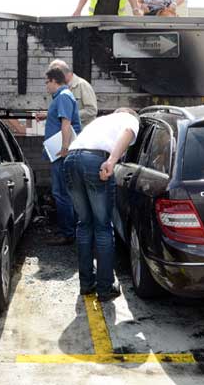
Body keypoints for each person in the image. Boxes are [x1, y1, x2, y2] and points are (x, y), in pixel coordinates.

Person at [63, 108, 140, 302]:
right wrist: (112, 161)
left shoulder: (101, 121)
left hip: (71, 159)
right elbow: (128, 132)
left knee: (84, 223)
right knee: (103, 226)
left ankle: (86, 284)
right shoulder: (130, 118)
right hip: (95, 161)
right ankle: (105, 288)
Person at [44, 67, 82, 246]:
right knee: (63, 193)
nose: (46, 86)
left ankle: (68, 233)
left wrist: (65, 147)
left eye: (47, 82)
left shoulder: (64, 96)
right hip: (60, 152)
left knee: (61, 193)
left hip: (62, 154)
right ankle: (69, 230)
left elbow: (66, 123)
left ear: (54, 81)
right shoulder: (62, 97)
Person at [48, 60, 98, 128]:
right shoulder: (60, 88)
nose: (54, 80)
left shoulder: (82, 85)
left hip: (84, 133)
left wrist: (71, 116)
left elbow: (92, 110)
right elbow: (61, 112)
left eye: (55, 76)